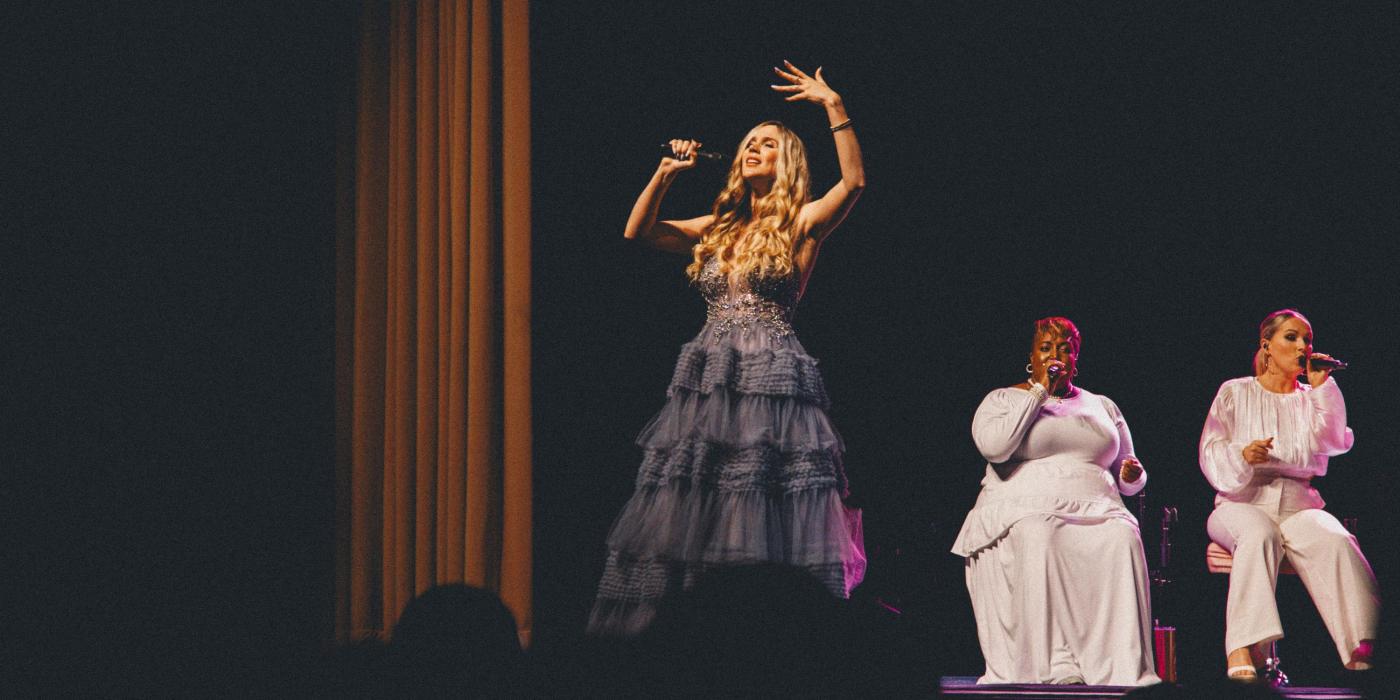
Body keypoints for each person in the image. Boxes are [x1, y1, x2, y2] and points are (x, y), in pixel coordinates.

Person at [587, 62, 867, 636]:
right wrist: (666, 172)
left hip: (770, 370)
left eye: (767, 144)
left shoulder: (801, 221)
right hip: (711, 370)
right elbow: (637, 233)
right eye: (748, 144)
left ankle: (771, 628)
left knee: (764, 487)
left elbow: (855, 183)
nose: (753, 149)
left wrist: (833, 106)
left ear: (785, 160)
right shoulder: (717, 224)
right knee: (699, 488)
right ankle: (693, 631)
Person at [952, 317, 1160, 686]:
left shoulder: (1102, 405)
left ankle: (1123, 669)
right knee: (1039, 532)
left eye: (1065, 348)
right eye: (1046, 348)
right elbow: (996, 448)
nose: (1056, 355)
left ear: (1076, 357)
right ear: (1031, 356)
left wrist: (1133, 475)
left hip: (1099, 507)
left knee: (1123, 537)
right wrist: (1038, 393)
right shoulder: (1003, 399)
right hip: (1025, 506)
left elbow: (1131, 476)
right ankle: (1053, 666)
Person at [1200, 309, 1378, 681]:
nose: (1302, 346)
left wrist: (1322, 387)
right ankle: (1242, 647)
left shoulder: (1311, 397)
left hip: (1298, 504)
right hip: (1242, 501)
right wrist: (1243, 456)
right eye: (1292, 338)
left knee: (1335, 538)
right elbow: (1210, 450)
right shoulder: (1236, 391)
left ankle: (1365, 642)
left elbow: (1332, 442)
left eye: (1307, 340)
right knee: (1258, 533)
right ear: (1267, 345)